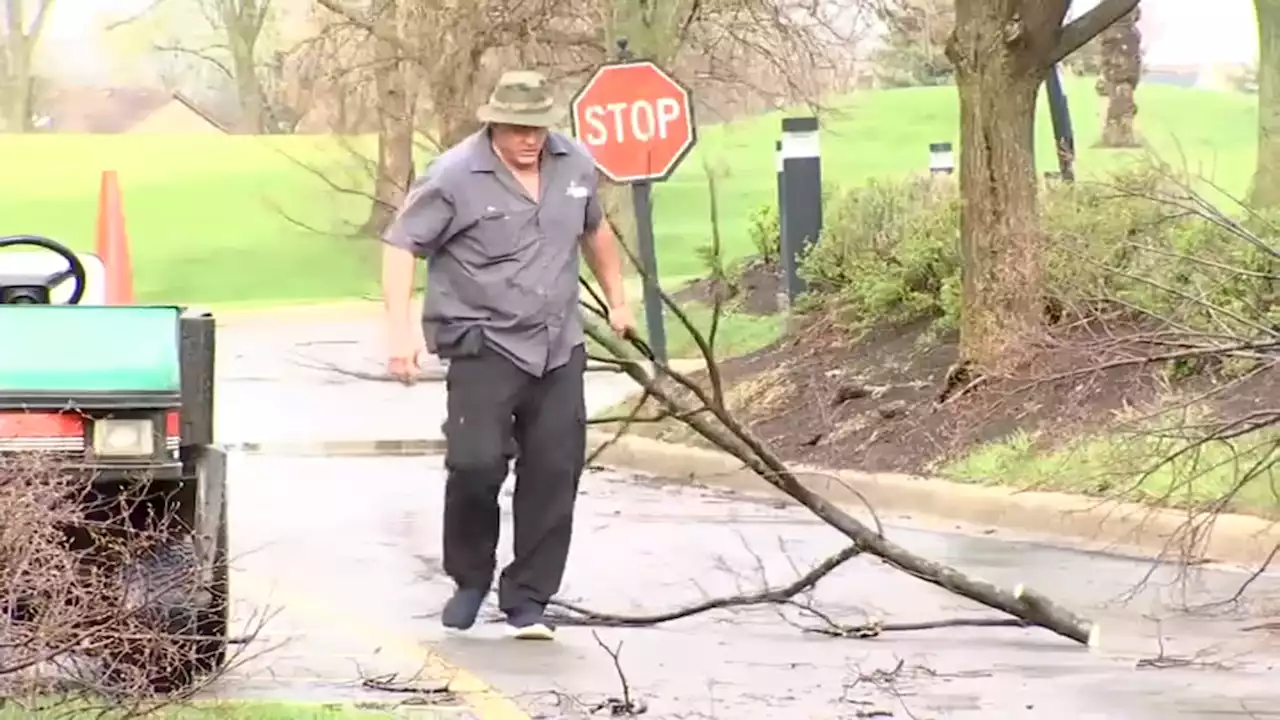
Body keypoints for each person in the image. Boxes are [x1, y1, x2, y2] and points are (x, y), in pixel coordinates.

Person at [380, 70, 634, 640]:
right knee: (475, 465)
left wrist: (619, 300)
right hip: (482, 342)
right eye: (518, 128)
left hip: (558, 344)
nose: (530, 139)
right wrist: (399, 333)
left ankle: (529, 600)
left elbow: (597, 231)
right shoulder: (452, 176)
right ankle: (471, 578)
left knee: (554, 472)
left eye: (539, 127)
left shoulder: (575, 164)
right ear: (493, 123)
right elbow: (401, 247)